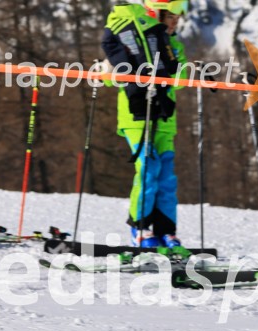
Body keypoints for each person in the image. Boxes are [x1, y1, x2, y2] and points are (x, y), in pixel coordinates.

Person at [102, 0, 189, 248]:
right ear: (154, 13)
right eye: (171, 16)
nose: (175, 22)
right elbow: (109, 76)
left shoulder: (174, 46)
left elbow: (180, 80)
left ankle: (165, 232)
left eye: (177, 18)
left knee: (166, 179)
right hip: (136, 118)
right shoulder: (132, 42)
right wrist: (108, 70)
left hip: (165, 121)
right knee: (149, 170)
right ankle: (140, 230)